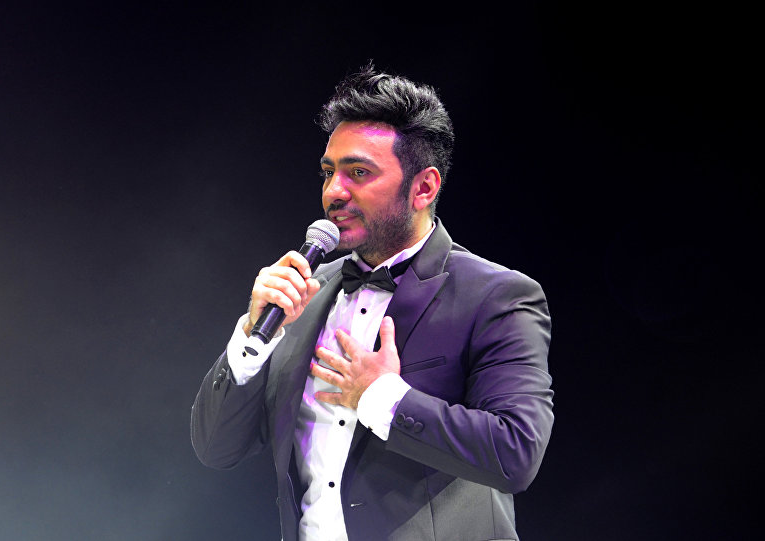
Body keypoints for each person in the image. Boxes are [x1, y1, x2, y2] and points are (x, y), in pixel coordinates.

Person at [191, 63, 554, 541]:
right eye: (328, 172)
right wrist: (252, 338)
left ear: (423, 188)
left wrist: (381, 397)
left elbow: (515, 453)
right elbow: (216, 449)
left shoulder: (496, 296)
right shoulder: (305, 294)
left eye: (358, 173)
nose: (333, 192)